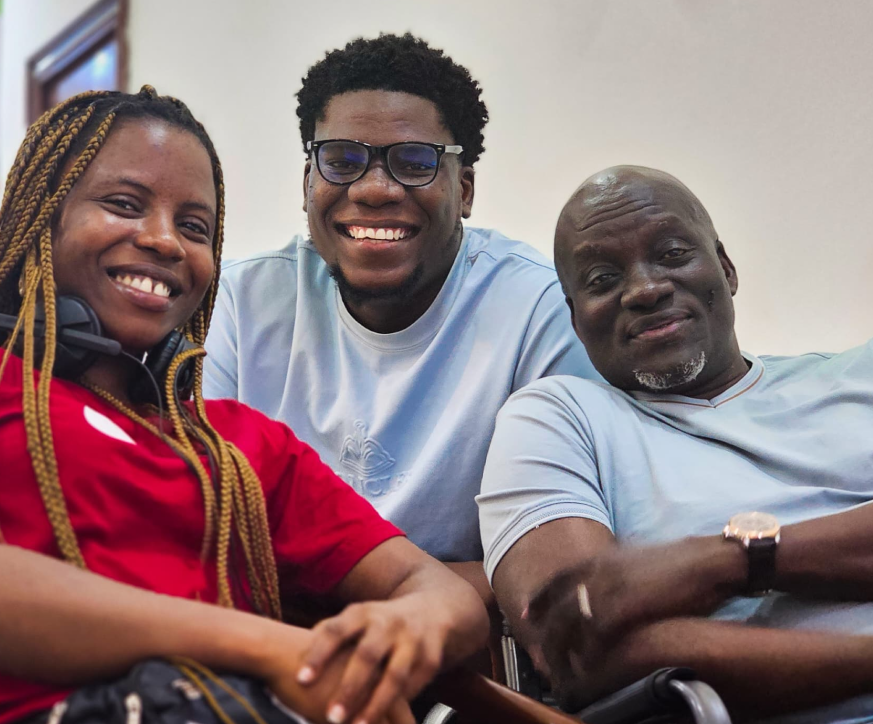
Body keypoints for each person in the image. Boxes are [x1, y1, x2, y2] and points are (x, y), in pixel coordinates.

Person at [0, 88, 487, 724]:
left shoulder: (242, 447)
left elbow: (441, 592)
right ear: (40, 216)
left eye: (194, 226)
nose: (166, 240)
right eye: (126, 203)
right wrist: (274, 650)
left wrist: (400, 629)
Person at [478, 166, 873, 723]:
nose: (646, 288)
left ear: (725, 268)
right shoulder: (557, 419)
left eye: (672, 253)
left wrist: (724, 562)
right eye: (602, 279)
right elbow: (577, 645)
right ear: (576, 319)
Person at [202, 33, 597, 611]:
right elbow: (201, 530)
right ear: (308, 181)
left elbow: (558, 571)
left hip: (458, 666)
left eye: (415, 163)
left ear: (463, 190)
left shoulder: (537, 307)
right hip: (265, 645)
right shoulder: (239, 301)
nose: (375, 188)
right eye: (341, 160)